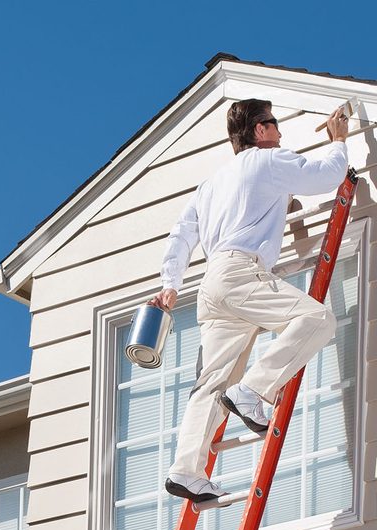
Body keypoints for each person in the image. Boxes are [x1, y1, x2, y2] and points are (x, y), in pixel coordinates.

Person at [149, 99, 349, 502]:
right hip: (242, 273)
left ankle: (186, 469)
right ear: (260, 131)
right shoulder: (268, 162)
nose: (280, 132)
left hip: (212, 285)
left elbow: (181, 235)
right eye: (275, 125)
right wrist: (339, 140)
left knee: (211, 383)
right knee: (317, 320)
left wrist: (170, 282)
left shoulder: (211, 185)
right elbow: (328, 174)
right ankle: (255, 390)